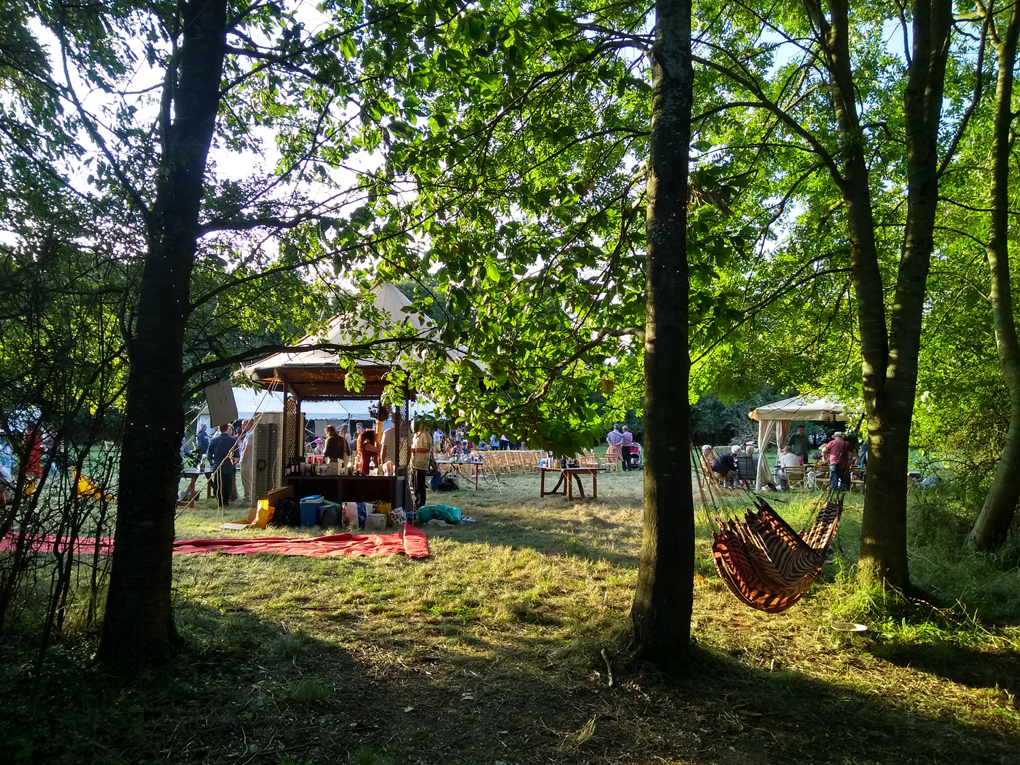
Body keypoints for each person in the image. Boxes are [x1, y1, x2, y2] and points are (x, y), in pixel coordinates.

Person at [206, 424, 237, 508]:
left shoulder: (214, 440)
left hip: (218, 464)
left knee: (218, 483)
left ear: (219, 430)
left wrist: (211, 463)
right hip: (228, 465)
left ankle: (220, 501)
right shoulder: (233, 440)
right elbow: (236, 455)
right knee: (227, 484)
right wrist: (234, 464)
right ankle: (226, 500)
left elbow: (209, 454)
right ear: (227, 429)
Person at [409, 419, 433, 513]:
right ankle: (416, 503)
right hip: (413, 463)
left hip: (421, 464)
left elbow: (426, 449)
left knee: (420, 485)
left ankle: (421, 504)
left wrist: (414, 450)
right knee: (414, 484)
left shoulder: (426, 435)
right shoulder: (415, 435)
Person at [238, 419, 254, 505]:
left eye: (244, 424)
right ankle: (249, 496)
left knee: (246, 481)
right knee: (249, 480)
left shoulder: (250, 435)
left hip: (247, 461)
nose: (242, 427)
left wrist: (242, 460)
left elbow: (247, 448)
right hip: (250, 461)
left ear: (249, 425)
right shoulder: (250, 434)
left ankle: (247, 498)